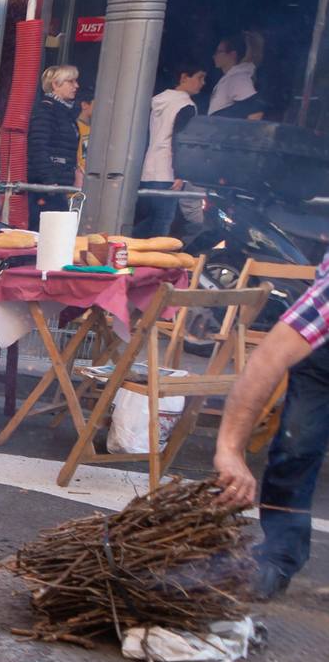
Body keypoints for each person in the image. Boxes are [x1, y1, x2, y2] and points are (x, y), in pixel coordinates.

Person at [212, 254, 329, 599]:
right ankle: (278, 556)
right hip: (323, 358)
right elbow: (270, 356)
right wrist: (230, 449)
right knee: (297, 445)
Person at [134, 65, 205, 238]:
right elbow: (179, 140)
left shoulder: (157, 101)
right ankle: (148, 254)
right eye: (200, 77)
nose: (202, 83)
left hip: (149, 167)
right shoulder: (186, 105)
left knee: (153, 217)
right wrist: (179, 173)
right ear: (184, 77)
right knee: (164, 218)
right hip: (168, 170)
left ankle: (128, 243)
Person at [29, 65, 82, 217]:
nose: (76, 86)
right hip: (49, 186)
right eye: (70, 81)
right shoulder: (47, 110)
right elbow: (38, 147)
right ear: (55, 84)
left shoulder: (63, 111)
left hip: (58, 183)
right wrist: (50, 181)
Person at [209, 32, 260, 115]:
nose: (214, 56)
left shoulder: (238, 78)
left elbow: (255, 111)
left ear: (232, 55)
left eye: (219, 51)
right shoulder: (230, 77)